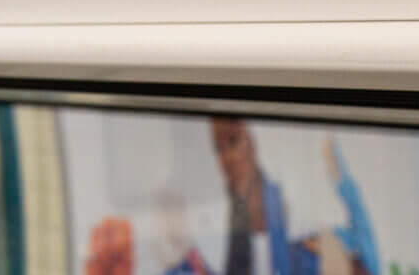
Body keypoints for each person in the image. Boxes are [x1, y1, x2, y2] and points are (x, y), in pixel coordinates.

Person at [83, 118, 380, 275]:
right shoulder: (356, 248)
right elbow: (353, 200)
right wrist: (332, 156)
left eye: (231, 144)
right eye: (221, 148)